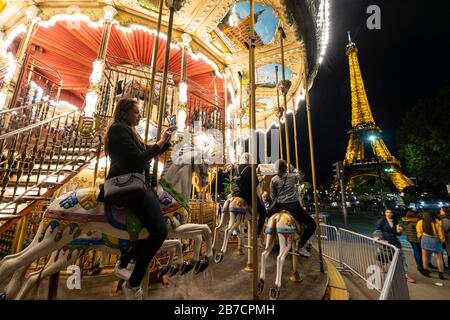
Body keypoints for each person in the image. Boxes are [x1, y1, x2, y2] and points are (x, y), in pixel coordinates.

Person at [101, 97, 175, 299]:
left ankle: (128, 259)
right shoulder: (118, 129)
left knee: (152, 226)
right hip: (127, 186)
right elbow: (138, 158)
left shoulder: (130, 131)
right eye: (136, 112)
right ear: (124, 113)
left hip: (136, 184)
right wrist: (159, 143)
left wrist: (164, 140)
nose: (140, 116)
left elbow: (143, 151)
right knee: (160, 231)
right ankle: (133, 280)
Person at [270, 159, 316, 257]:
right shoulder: (292, 176)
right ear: (285, 168)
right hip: (293, 206)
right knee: (312, 224)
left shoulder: (273, 179)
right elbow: (301, 177)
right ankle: (300, 246)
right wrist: (294, 170)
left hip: (279, 206)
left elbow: (273, 196)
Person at [231, 152, 266, 235]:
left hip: (236, 194)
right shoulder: (250, 169)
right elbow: (256, 183)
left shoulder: (237, 169)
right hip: (247, 196)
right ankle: (257, 233)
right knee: (263, 211)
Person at [376, 209, 415, 283]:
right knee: (384, 255)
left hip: (395, 241)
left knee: (401, 257)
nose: (389, 214)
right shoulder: (381, 221)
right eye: (387, 212)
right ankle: (381, 266)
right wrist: (379, 239)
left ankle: (406, 274)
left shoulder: (395, 222)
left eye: (390, 212)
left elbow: (397, 233)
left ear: (393, 213)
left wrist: (399, 231)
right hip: (385, 241)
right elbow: (377, 230)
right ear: (384, 213)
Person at [417, 211, 446, 279]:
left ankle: (426, 272)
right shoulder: (436, 222)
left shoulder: (420, 222)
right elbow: (441, 234)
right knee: (439, 258)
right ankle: (441, 274)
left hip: (425, 239)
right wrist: (442, 240)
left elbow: (419, 232)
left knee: (424, 256)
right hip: (435, 239)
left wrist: (421, 237)